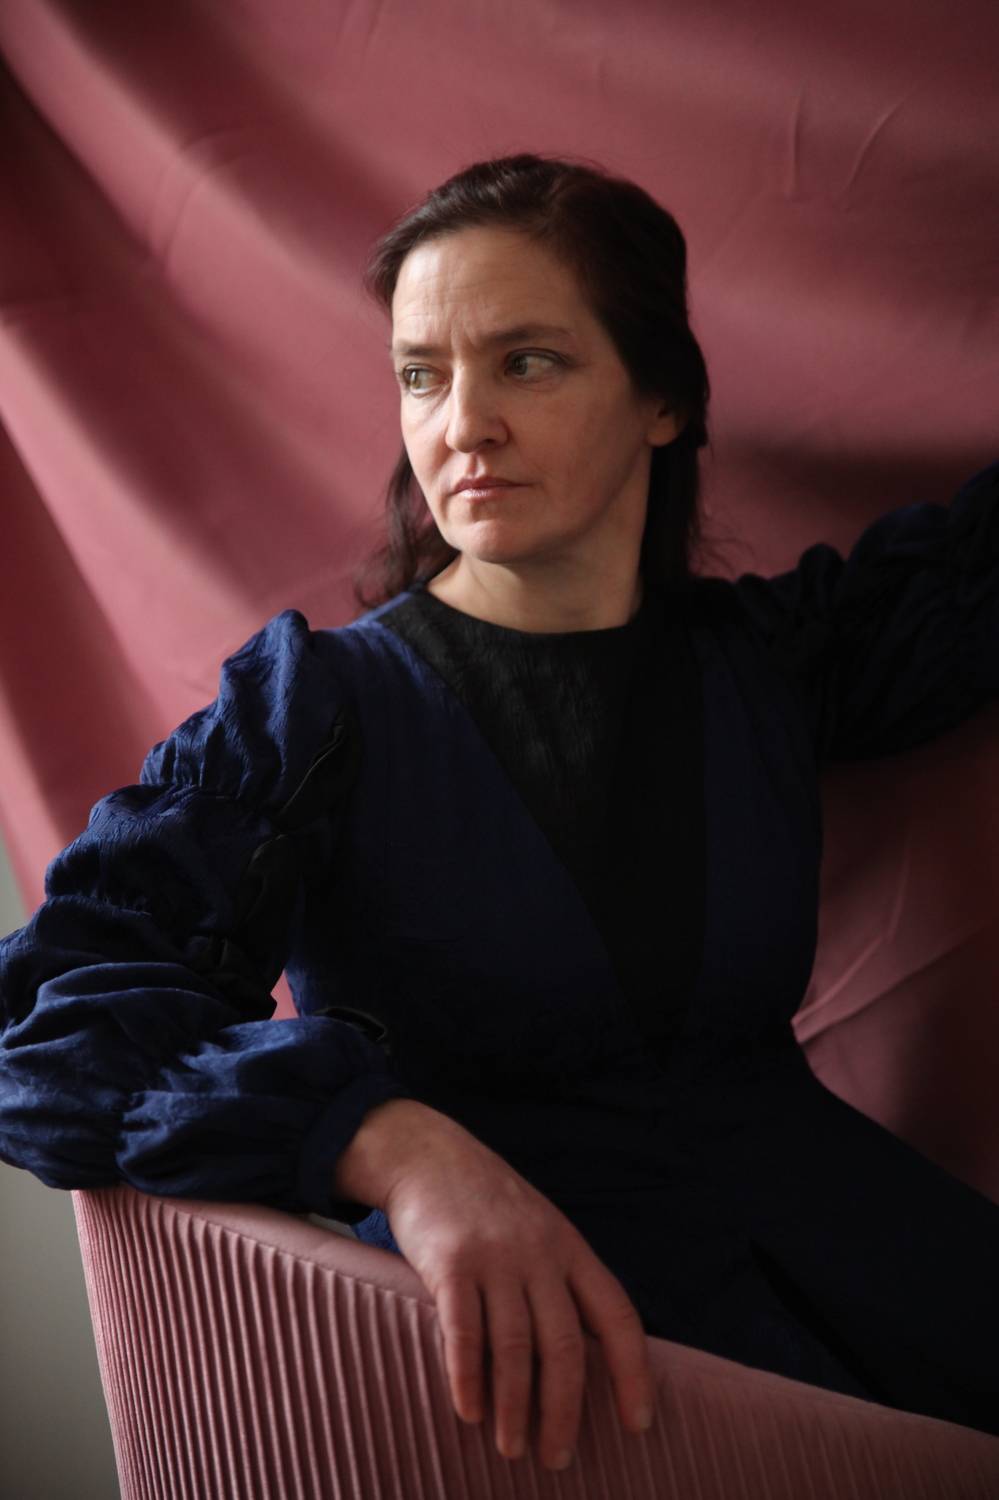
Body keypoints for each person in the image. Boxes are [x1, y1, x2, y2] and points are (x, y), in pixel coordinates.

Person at [1, 153, 998, 1477]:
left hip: (869, 1270)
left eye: (527, 362)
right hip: (521, 1362)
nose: (463, 425)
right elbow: (45, 1028)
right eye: (422, 374)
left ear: (662, 399)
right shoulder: (315, 709)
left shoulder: (770, 660)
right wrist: (390, 1143)